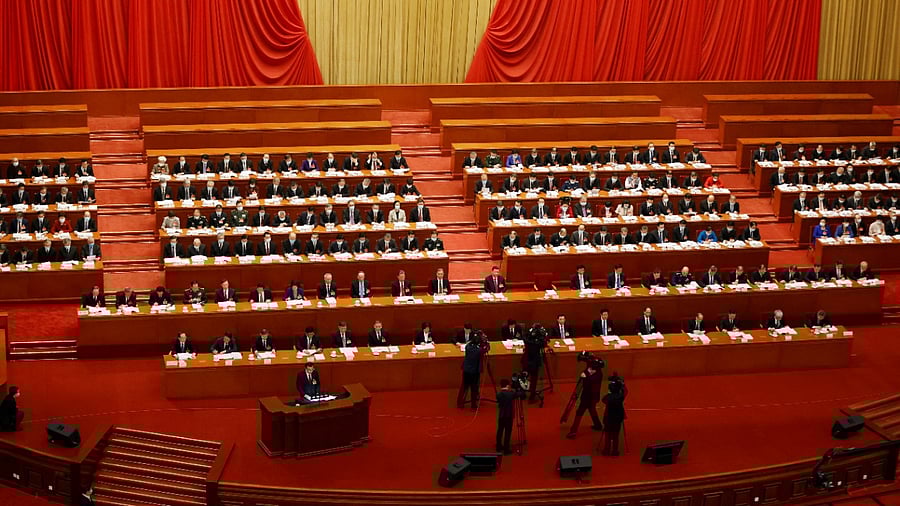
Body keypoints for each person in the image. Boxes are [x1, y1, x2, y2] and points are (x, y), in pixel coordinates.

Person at [566, 359, 603, 439]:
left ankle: (573, 431)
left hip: (588, 396)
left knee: (579, 412)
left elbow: (586, 378)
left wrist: (585, 374)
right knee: (592, 410)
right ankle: (598, 425)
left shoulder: (596, 375)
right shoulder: (598, 372)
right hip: (593, 396)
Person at [601, 375, 628, 456]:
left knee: (608, 435)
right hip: (617, 418)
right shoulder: (621, 397)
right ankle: (615, 451)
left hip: (608, 418)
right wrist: (622, 383)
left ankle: (606, 450)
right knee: (616, 435)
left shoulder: (607, 397)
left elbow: (603, 400)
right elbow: (625, 391)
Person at [495, 379, 523, 455]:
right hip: (508, 416)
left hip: (501, 416)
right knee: (508, 432)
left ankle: (498, 446)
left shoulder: (498, 394)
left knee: (500, 431)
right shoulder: (511, 394)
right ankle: (506, 449)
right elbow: (520, 394)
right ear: (507, 385)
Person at [457, 334, 482, 409]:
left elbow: (469, 343)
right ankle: (473, 405)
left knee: (464, 387)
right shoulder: (478, 350)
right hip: (474, 372)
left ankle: (459, 403)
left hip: (466, 370)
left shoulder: (467, 347)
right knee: (474, 388)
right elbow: (483, 350)